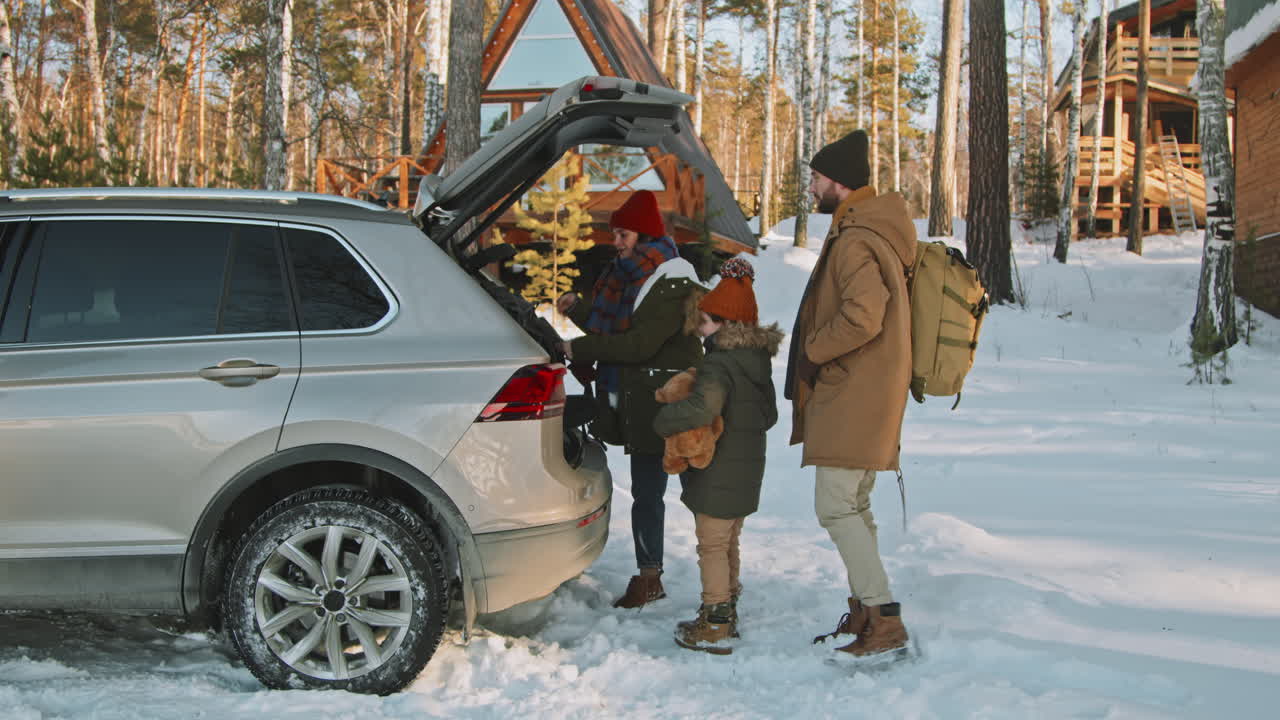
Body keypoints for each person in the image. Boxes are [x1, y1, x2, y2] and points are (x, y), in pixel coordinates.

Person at [784, 129, 917, 659]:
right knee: (852, 504)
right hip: (867, 390)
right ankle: (868, 609)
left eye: (816, 178)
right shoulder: (866, 228)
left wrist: (815, 349)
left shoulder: (858, 237)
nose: (812, 187)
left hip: (855, 389)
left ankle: (883, 618)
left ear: (837, 182)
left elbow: (863, 316)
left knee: (836, 506)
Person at [557, 190, 705, 609]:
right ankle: (649, 576)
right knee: (646, 494)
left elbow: (640, 344)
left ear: (644, 234)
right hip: (644, 406)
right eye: (615, 235)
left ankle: (720, 579)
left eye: (623, 235)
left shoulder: (673, 281)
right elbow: (622, 334)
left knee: (700, 494)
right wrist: (581, 312)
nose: (617, 242)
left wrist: (579, 349)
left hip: (677, 408)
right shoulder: (632, 278)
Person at [653, 258, 782, 655]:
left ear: (725, 323)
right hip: (747, 470)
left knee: (711, 544)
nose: (700, 327)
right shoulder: (757, 362)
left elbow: (701, 410)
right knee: (728, 540)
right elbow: (770, 415)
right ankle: (728, 601)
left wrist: (665, 418)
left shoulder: (719, 364)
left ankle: (716, 622)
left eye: (706, 321)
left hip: (719, 467)